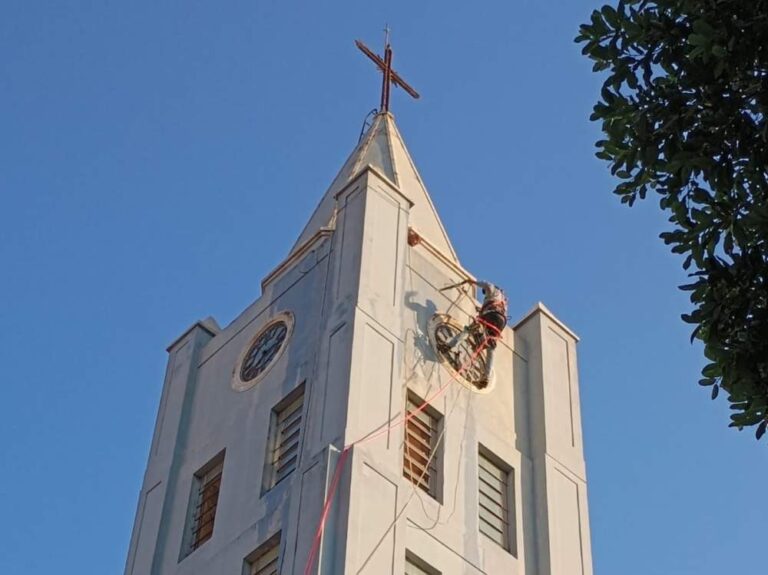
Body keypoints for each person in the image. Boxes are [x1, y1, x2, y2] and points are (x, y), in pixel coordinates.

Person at [440, 279, 508, 386]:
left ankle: (449, 345)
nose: (485, 295)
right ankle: (486, 377)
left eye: (485, 293)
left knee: (469, 330)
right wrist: (481, 310)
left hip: (490, 315)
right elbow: (492, 307)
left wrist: (471, 281)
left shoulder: (493, 289)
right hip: (500, 322)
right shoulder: (503, 301)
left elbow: (486, 284)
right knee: (491, 347)